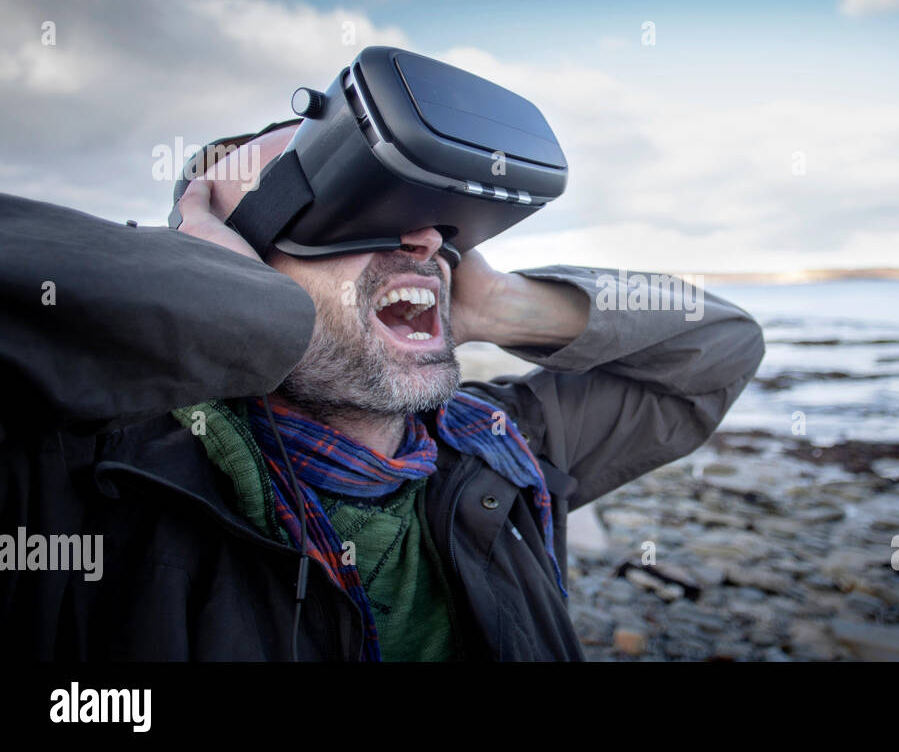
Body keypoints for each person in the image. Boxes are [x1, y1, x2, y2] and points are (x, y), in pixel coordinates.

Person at [0, 121, 765, 661]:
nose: (423, 239)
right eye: (338, 206)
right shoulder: (88, 485)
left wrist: (502, 305)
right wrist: (252, 315)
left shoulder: (499, 448)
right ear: (215, 272)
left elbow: (722, 349)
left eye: (428, 216)